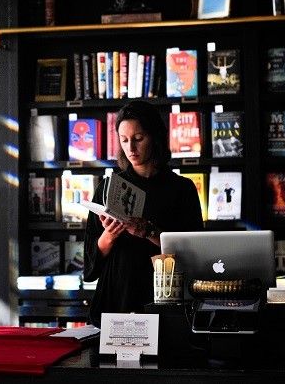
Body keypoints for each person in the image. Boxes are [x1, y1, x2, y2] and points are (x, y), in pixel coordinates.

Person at [84, 101, 203, 326]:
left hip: (164, 298)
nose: (131, 148)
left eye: (138, 139)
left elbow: (195, 255)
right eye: (124, 140)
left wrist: (148, 231)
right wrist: (109, 235)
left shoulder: (182, 189)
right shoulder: (107, 187)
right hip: (116, 298)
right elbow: (89, 269)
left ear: (155, 136)